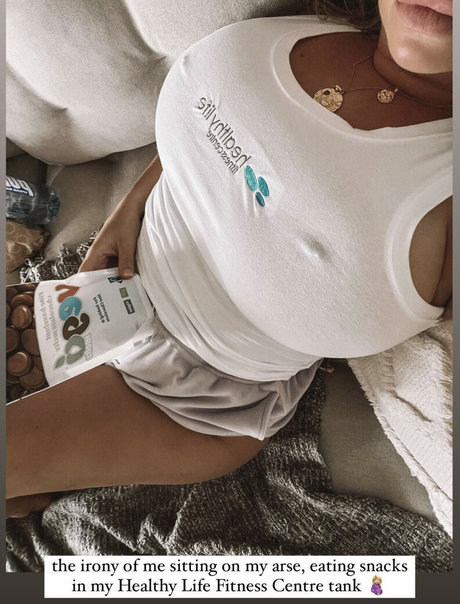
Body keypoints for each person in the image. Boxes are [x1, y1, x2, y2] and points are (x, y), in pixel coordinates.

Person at [6, 0, 452, 518]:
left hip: (188, 400)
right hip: (98, 292)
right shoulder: (297, 28)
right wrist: (130, 207)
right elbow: (216, 137)